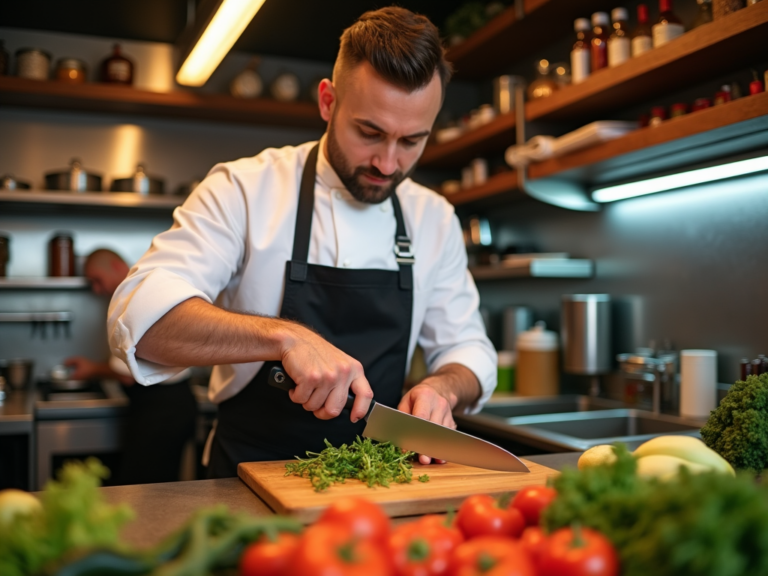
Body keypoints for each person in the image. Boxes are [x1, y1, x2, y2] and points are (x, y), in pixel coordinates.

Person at [107, 7, 497, 479]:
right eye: (369, 132)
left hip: (381, 481)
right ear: (328, 102)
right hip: (246, 480)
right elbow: (140, 319)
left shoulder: (433, 217)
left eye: (412, 140)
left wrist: (444, 388)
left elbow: (469, 350)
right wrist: (284, 336)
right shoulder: (243, 189)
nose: (389, 163)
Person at [67, 249, 198, 484]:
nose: (97, 289)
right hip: (167, 406)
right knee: (155, 488)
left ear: (116, 267)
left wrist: (92, 369)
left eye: (97, 280)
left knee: (143, 491)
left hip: (163, 410)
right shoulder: (138, 293)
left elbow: (127, 375)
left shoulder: (135, 298)